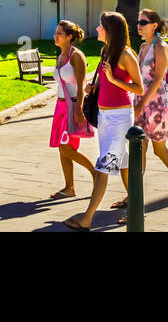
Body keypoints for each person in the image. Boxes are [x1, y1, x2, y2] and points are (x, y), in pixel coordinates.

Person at [62, 11, 143, 231]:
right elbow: (103, 81)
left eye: (101, 26)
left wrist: (114, 79)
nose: (97, 29)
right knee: (124, 164)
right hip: (104, 116)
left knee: (103, 167)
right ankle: (137, 209)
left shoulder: (126, 55)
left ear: (110, 30)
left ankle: (87, 219)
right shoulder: (104, 51)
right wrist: (94, 87)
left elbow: (139, 87)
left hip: (119, 118)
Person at [129, 10, 168, 215]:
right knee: (138, 148)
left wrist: (142, 103)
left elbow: (158, 79)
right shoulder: (142, 46)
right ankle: (133, 193)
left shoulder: (160, 46)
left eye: (143, 22)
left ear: (154, 25)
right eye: (138, 22)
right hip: (142, 99)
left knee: (159, 149)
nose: (138, 25)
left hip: (156, 103)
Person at [48, 20, 95, 199]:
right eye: (56, 32)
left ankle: (96, 174)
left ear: (69, 37)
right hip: (60, 107)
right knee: (62, 149)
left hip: (73, 106)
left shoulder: (77, 56)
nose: (55, 36)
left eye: (59, 33)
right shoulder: (60, 56)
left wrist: (79, 110)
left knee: (68, 148)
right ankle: (69, 187)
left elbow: (82, 84)